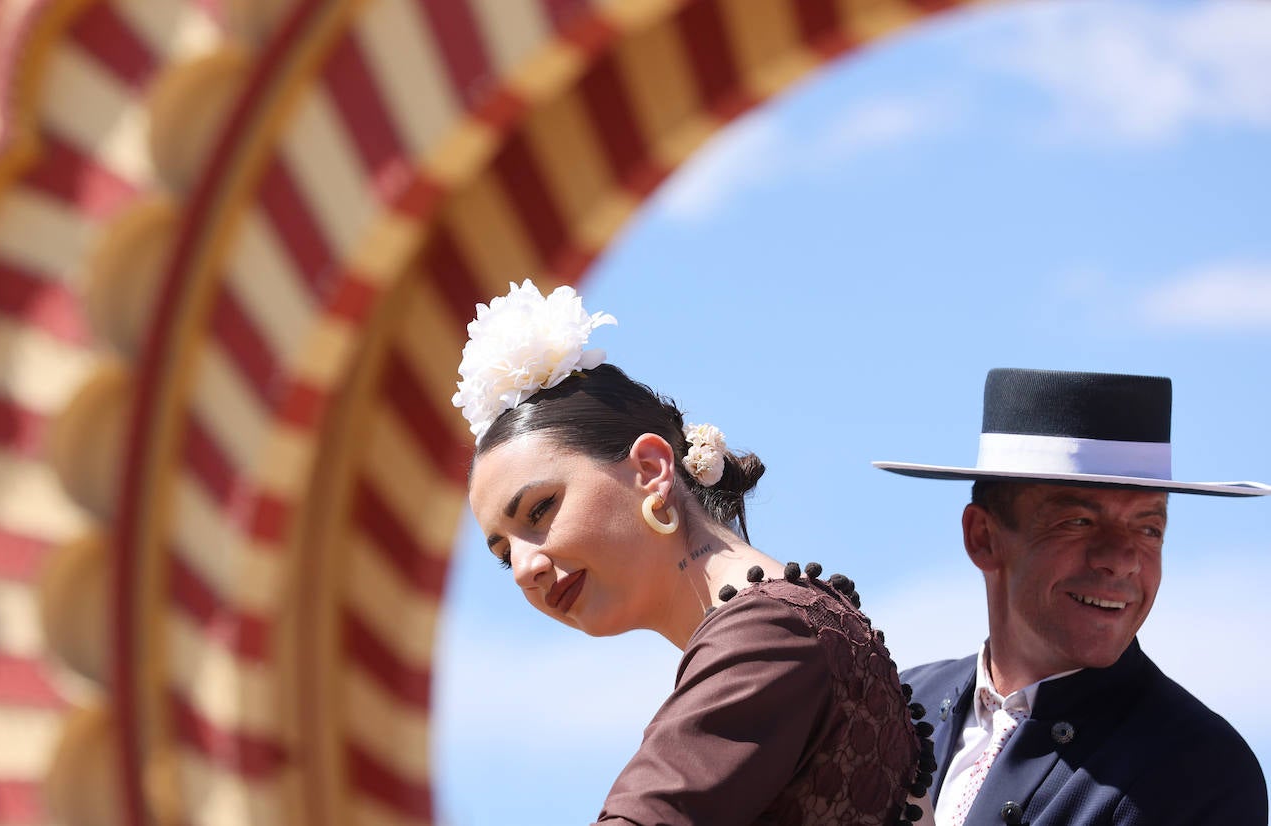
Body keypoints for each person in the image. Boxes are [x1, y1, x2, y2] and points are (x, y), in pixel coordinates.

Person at [453, 280, 932, 825]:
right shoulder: (795, 623)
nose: (524, 569)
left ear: (651, 470)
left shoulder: (771, 634)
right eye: (502, 554)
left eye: (539, 511)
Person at [874, 367, 1271, 826]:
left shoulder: (1200, 772)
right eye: (1078, 521)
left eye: (1149, 528)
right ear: (983, 537)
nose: (1122, 559)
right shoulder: (894, 706)